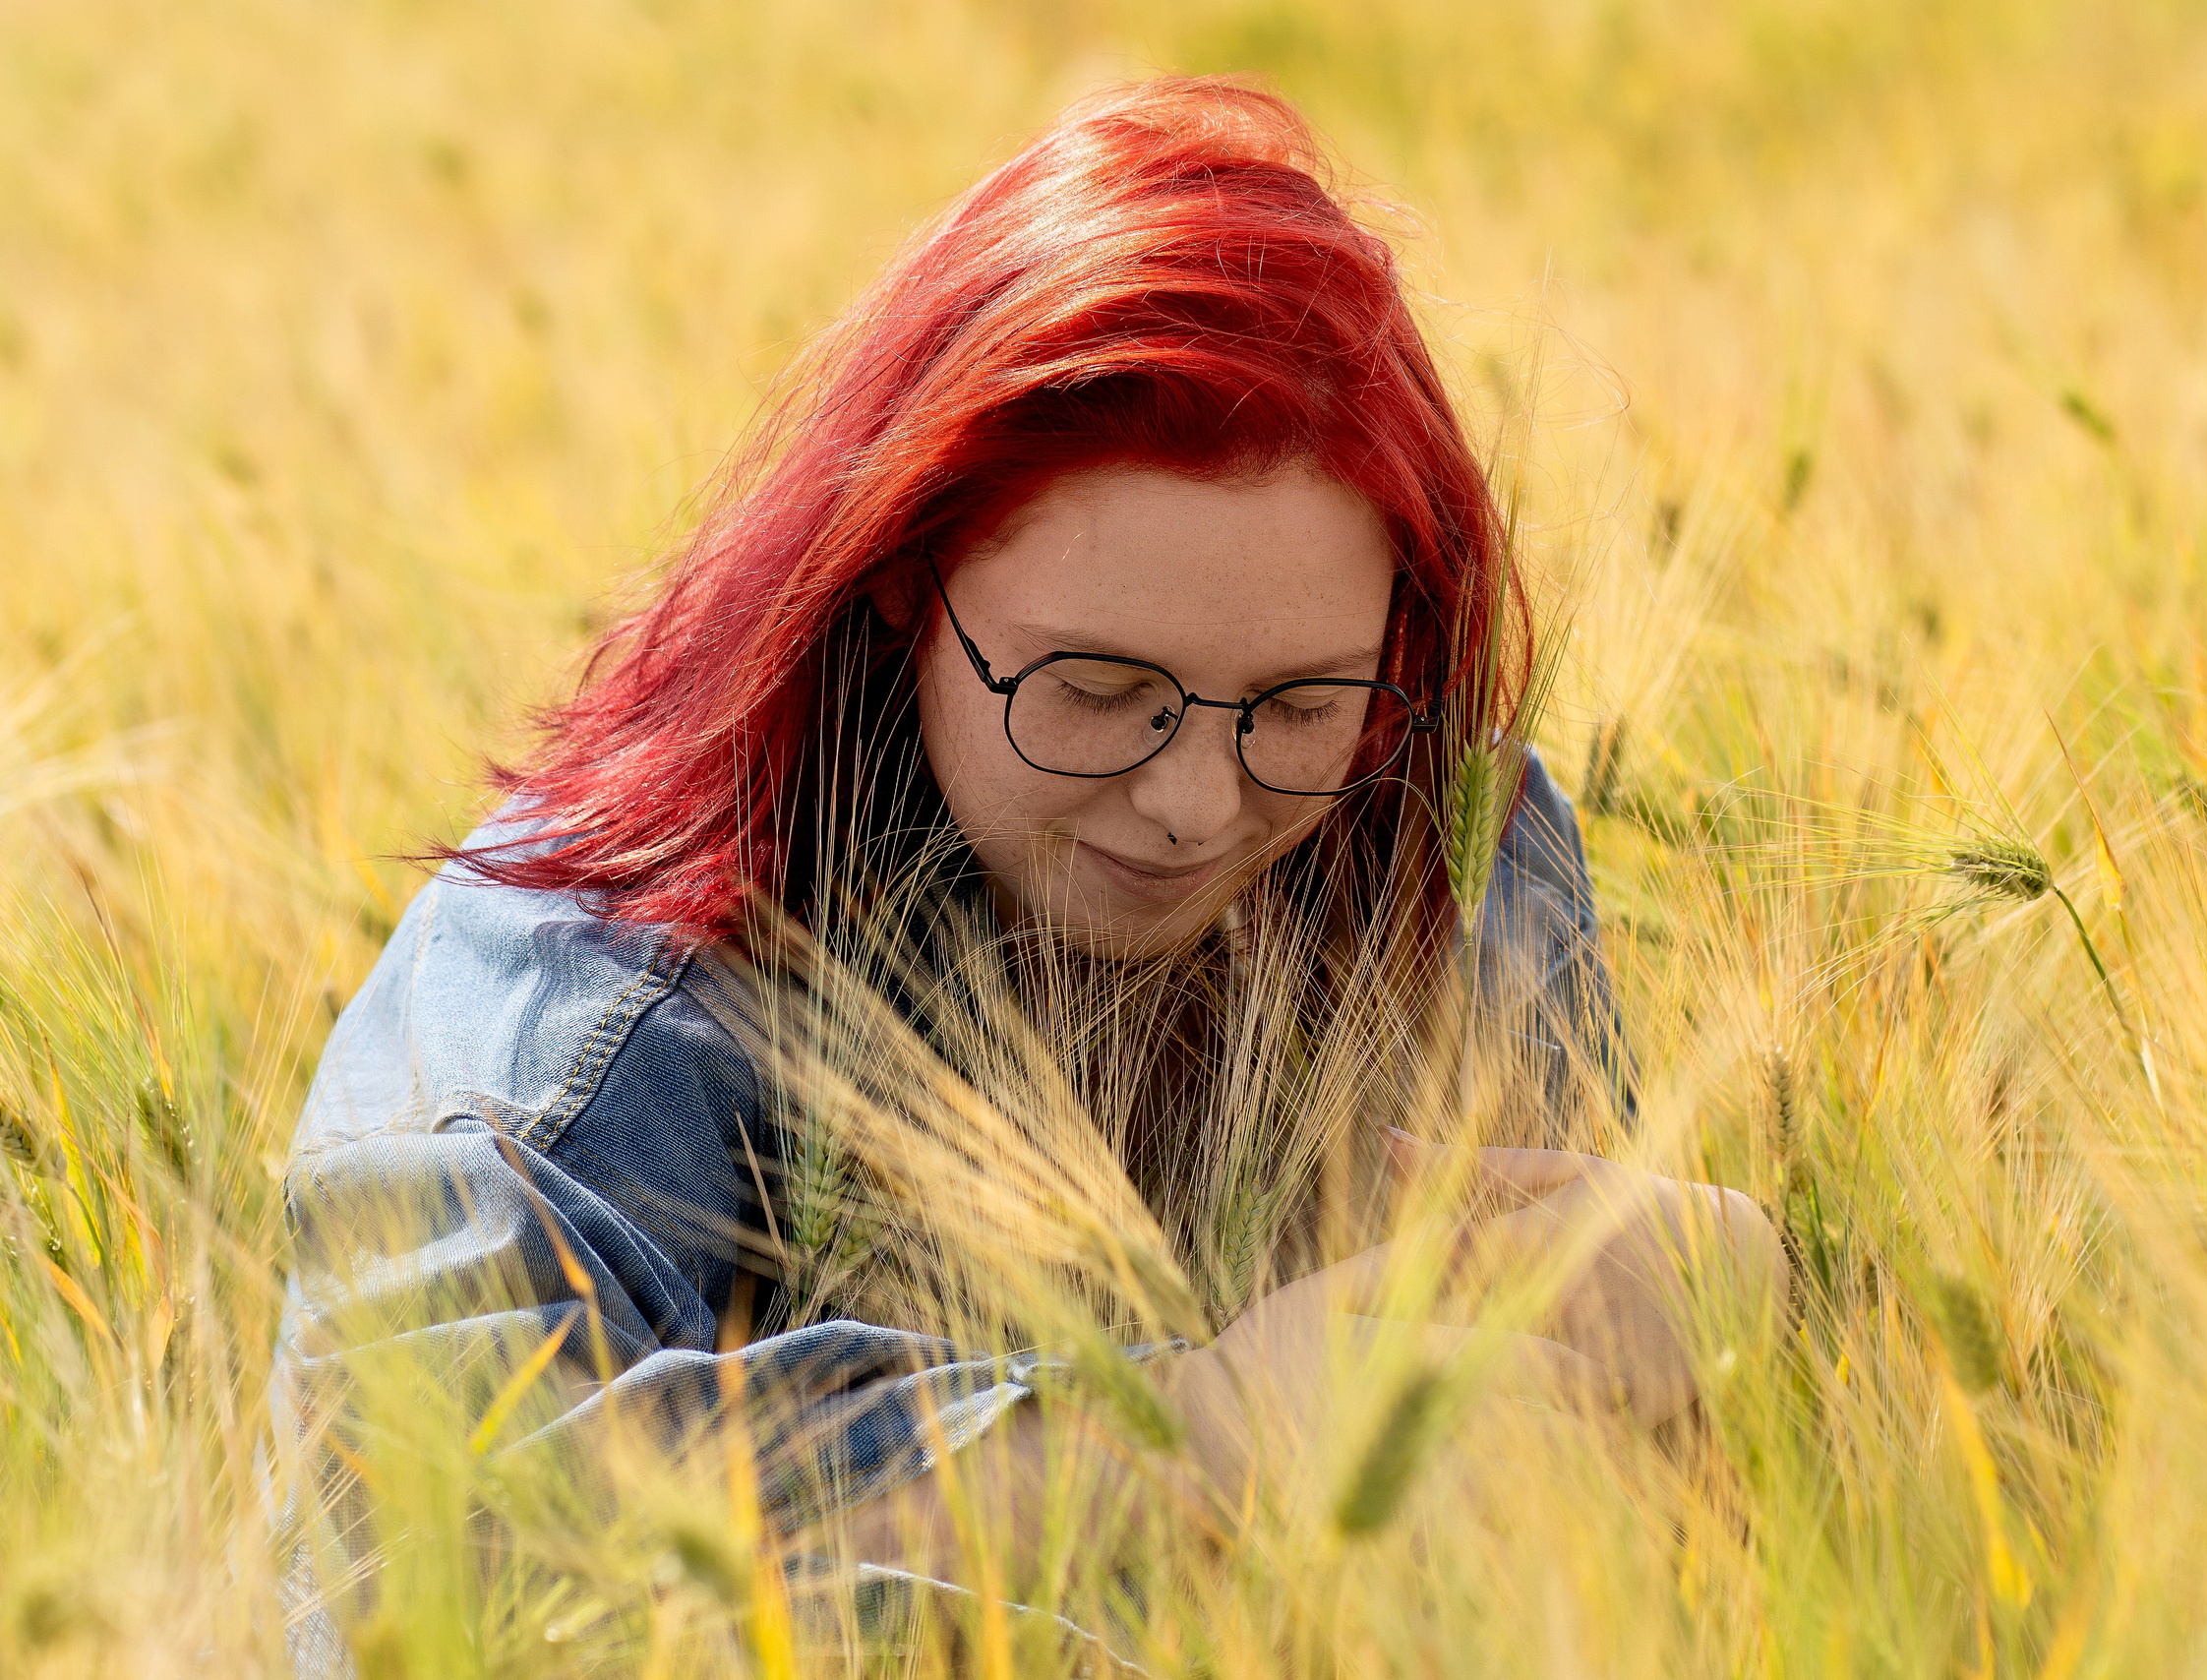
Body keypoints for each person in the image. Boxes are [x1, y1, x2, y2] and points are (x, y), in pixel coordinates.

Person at [270, 78, 1781, 1671]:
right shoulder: (597, 981)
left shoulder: (1443, 841)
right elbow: (424, 1567)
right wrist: (1186, 1436)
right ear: (903, 577)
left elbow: (1622, 1503)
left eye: (1299, 703)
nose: (1197, 802)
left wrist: (1746, 1304)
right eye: (1093, 689)